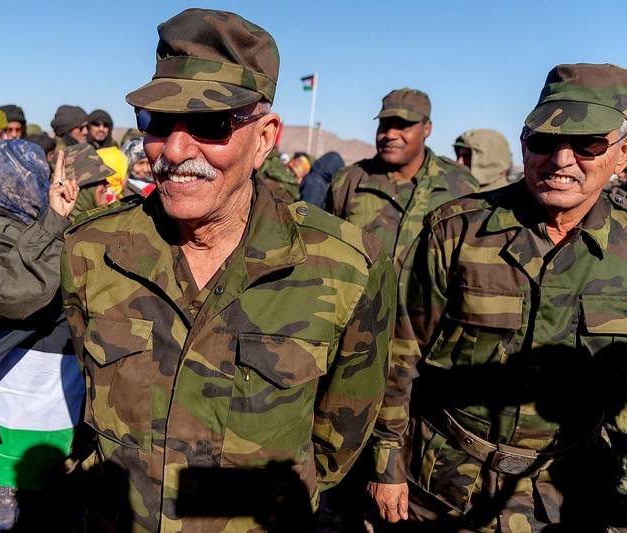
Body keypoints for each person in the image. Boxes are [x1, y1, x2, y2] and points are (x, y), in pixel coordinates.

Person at [60, 8, 395, 531]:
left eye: (211, 124)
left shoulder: (347, 267)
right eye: (157, 121)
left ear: (264, 139)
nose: (174, 150)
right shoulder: (92, 249)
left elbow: (337, 440)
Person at [370, 63, 627, 531]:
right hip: (446, 485)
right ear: (524, 143)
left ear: (622, 155)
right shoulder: (457, 231)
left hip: (573, 494)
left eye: (587, 145)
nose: (561, 160)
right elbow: (397, 354)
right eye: (544, 141)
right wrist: (387, 463)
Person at [0, 139, 83, 532]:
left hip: (29, 421)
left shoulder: (25, 225)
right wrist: (53, 224)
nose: (39, 182)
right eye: (32, 175)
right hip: (6, 424)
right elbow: (11, 293)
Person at [328, 88, 479, 271]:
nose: (390, 135)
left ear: (427, 128)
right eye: (384, 124)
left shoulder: (461, 185)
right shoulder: (348, 182)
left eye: (403, 125)